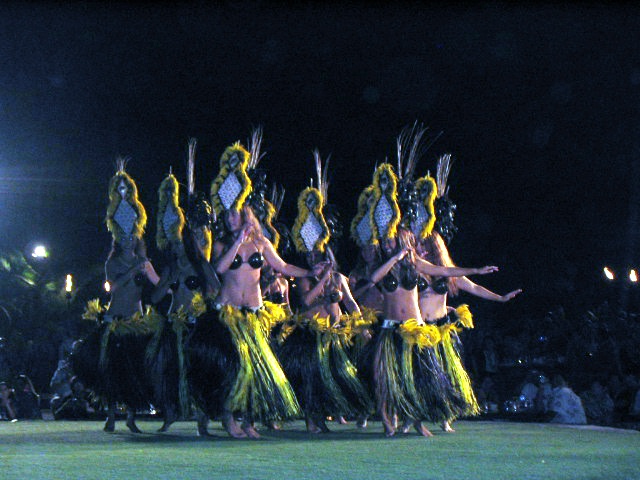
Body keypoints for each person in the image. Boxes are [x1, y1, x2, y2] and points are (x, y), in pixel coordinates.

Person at [358, 159, 499, 437]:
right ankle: (388, 424)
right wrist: (394, 258)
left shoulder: (415, 266)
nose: (388, 243)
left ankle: (419, 422)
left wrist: (475, 269)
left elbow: (444, 270)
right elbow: (370, 282)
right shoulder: (380, 266)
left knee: (418, 379)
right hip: (389, 330)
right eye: (385, 240)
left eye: (392, 240)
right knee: (385, 380)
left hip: (416, 329)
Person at [189, 141, 317, 439]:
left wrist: (311, 271)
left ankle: (249, 422)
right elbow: (218, 269)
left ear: (246, 212)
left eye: (235, 213)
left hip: (256, 313)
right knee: (235, 367)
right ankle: (228, 418)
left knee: (257, 369)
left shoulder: (261, 243)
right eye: (228, 214)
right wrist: (237, 242)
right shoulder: (222, 243)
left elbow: (284, 267)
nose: (230, 217)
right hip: (229, 314)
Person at [278, 152, 373, 433]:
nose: (314, 261)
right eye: (311, 259)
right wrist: (319, 278)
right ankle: (311, 420)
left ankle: (321, 419)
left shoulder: (340, 278)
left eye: (319, 258)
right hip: (311, 335)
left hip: (334, 336)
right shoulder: (306, 278)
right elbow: (306, 301)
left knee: (334, 380)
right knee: (313, 381)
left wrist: (361, 327)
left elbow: (352, 305)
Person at [72, 160, 159, 433]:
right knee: (111, 370)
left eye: (131, 237)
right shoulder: (113, 262)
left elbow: (157, 286)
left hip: (136, 318)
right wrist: (135, 267)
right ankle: (110, 416)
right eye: (123, 238)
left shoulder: (144, 261)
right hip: (115, 317)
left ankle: (131, 417)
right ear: (117, 239)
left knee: (134, 372)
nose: (127, 241)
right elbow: (115, 285)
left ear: (136, 237)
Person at [149, 156, 221, 434]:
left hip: (196, 323)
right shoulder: (169, 269)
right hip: (173, 325)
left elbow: (215, 286)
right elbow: (155, 299)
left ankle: (203, 422)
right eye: (174, 244)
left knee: (199, 371)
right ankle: (169, 416)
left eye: (181, 243)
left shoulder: (198, 264)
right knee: (171, 372)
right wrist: (161, 285)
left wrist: (205, 300)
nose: (177, 248)